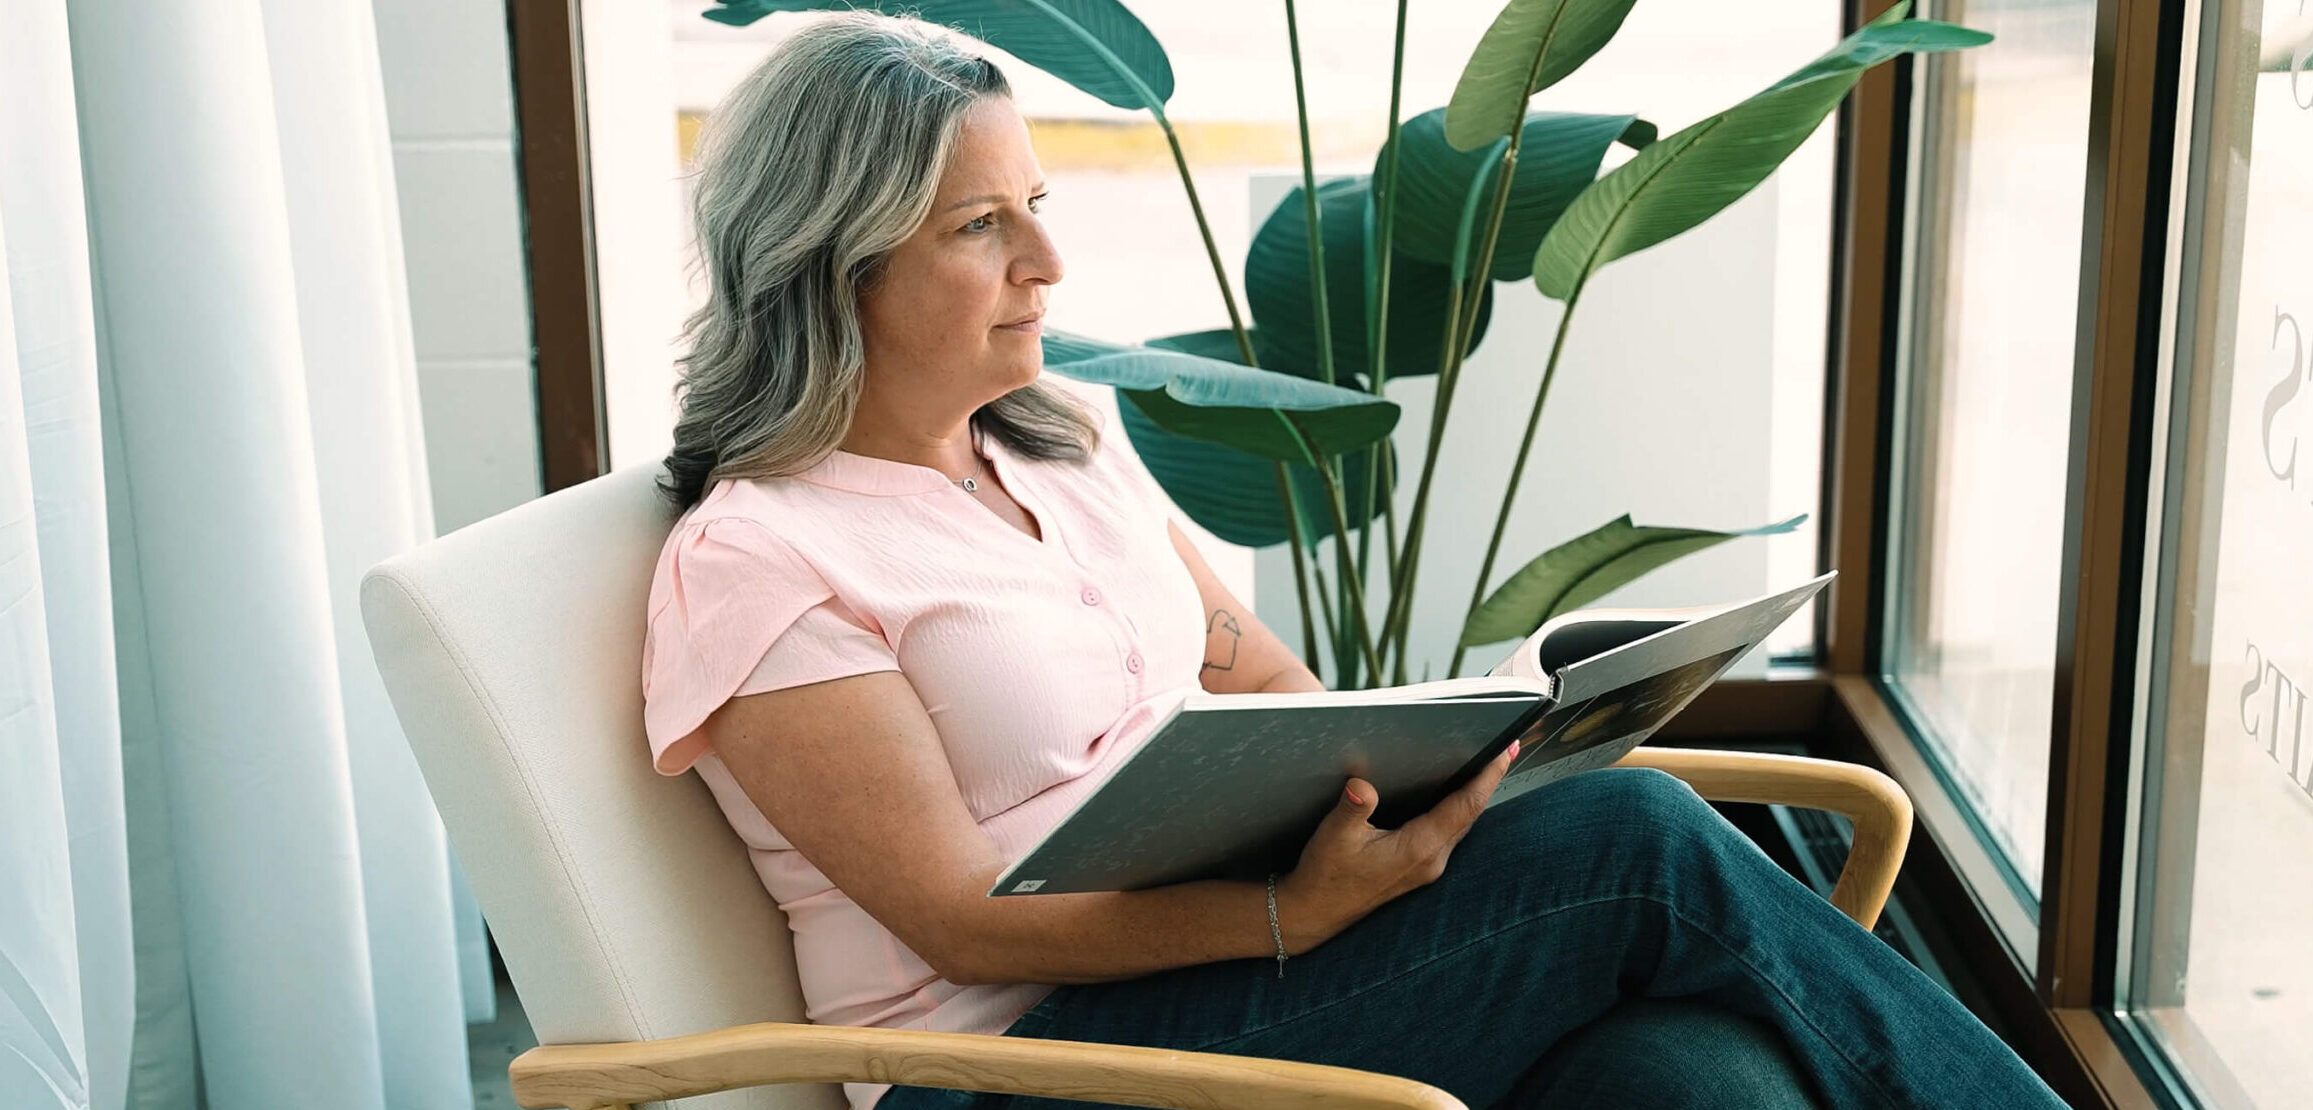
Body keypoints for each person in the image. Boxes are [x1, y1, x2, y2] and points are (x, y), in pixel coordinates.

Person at [640, 12, 2070, 1110]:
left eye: (1037, 205)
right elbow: (953, 916)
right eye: (978, 224)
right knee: (1637, 847)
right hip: (1024, 1066)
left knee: (1693, 1077)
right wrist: (1283, 908)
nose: (1043, 263)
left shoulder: (1052, 452)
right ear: (832, 263)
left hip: (1241, 969)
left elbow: (1250, 666)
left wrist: (1386, 787)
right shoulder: (763, 557)